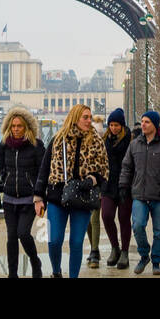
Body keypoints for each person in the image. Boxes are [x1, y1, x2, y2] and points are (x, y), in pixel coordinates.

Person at [34, 103, 109, 278]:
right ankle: (56, 271)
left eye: (90, 117)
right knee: (54, 240)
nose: (88, 120)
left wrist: (92, 179)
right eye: (85, 117)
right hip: (57, 196)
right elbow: (44, 169)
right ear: (75, 117)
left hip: (83, 197)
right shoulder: (58, 139)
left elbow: (104, 170)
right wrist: (38, 197)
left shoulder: (97, 140)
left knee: (76, 242)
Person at [118, 110, 160, 275]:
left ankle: (156, 261)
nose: (143, 125)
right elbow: (127, 167)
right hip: (139, 194)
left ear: (155, 124)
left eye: (147, 122)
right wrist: (123, 186)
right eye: (142, 121)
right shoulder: (134, 145)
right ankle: (143, 254)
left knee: (158, 231)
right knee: (138, 225)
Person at [0, 106, 45, 278]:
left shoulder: (36, 146)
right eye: (13, 126)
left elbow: (42, 172)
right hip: (9, 199)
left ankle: (35, 261)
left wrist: (40, 196)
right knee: (11, 237)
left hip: (28, 199)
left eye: (19, 126)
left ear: (27, 127)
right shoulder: (4, 146)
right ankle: (12, 273)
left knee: (23, 233)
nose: (15, 129)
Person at [101, 108, 133, 269]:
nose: (113, 128)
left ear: (122, 125)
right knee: (106, 216)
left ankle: (125, 252)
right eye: (111, 125)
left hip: (125, 185)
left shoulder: (130, 140)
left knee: (123, 219)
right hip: (108, 185)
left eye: (116, 125)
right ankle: (115, 247)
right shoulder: (104, 140)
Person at [87, 113, 107, 268]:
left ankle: (94, 251)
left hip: (97, 183)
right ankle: (94, 249)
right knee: (87, 219)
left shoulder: (100, 142)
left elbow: (104, 164)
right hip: (83, 184)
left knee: (94, 217)